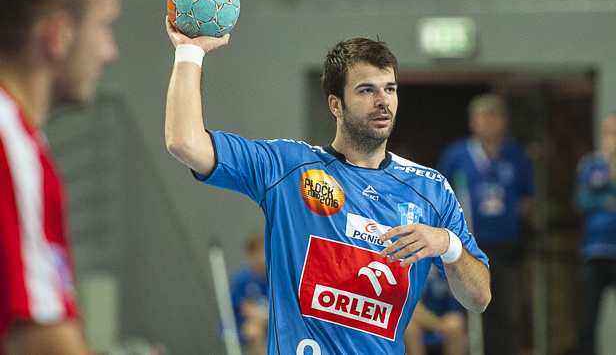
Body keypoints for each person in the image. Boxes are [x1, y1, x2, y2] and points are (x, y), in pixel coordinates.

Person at [164, 28, 491, 354]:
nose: (383, 101)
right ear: (336, 104)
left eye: (390, 89)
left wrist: (448, 245)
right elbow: (184, 142)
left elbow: (479, 298)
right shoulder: (287, 167)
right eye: (366, 90)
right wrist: (190, 51)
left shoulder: (430, 190)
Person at [0, 0, 120, 354]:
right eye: (104, 27)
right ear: (59, 35)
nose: (110, 52)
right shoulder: (11, 147)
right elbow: (41, 342)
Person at [437, 93, 535, 355]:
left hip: (506, 248)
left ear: (504, 121)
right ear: (472, 122)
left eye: (494, 116)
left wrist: (509, 216)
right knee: (471, 311)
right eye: (483, 116)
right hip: (469, 247)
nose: (488, 122)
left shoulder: (515, 155)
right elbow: (441, 199)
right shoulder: (456, 155)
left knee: (508, 313)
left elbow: (528, 199)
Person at [574, 113, 616, 355]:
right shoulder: (590, 165)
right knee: (587, 321)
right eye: (610, 132)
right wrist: (607, 200)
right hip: (595, 251)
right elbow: (581, 201)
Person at [404, 265, 467, 355]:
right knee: (409, 327)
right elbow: (413, 306)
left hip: (442, 317)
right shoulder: (413, 269)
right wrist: (436, 324)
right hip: (420, 319)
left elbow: (456, 298)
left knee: (456, 323)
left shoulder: (447, 267)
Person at [230, 231, 269, 355]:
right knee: (254, 330)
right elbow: (246, 308)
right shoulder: (242, 278)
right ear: (250, 254)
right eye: (259, 252)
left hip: (273, 320)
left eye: (264, 251)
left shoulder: (276, 277)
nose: (263, 256)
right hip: (250, 322)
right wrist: (265, 316)